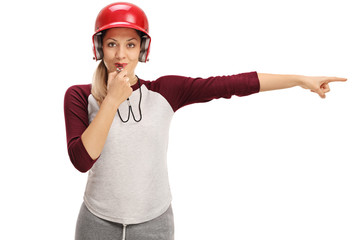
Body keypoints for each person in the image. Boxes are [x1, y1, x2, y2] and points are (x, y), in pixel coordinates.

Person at [63, 2, 347, 240]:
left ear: (142, 50)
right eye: (112, 43)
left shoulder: (165, 91)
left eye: (130, 44)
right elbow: (81, 161)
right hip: (96, 221)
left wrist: (299, 80)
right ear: (99, 48)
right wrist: (111, 100)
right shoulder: (79, 96)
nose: (121, 54)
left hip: (154, 222)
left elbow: (231, 84)